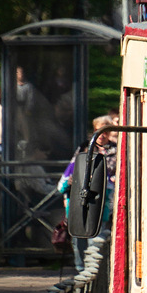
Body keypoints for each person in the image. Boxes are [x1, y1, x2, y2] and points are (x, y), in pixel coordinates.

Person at [58, 114, 119, 271]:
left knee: (96, 236)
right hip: (79, 201)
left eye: (105, 132)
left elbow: (118, 175)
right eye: (99, 131)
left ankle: (94, 272)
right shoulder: (84, 147)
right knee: (78, 239)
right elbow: (69, 173)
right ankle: (81, 269)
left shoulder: (114, 150)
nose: (102, 136)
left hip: (103, 201)